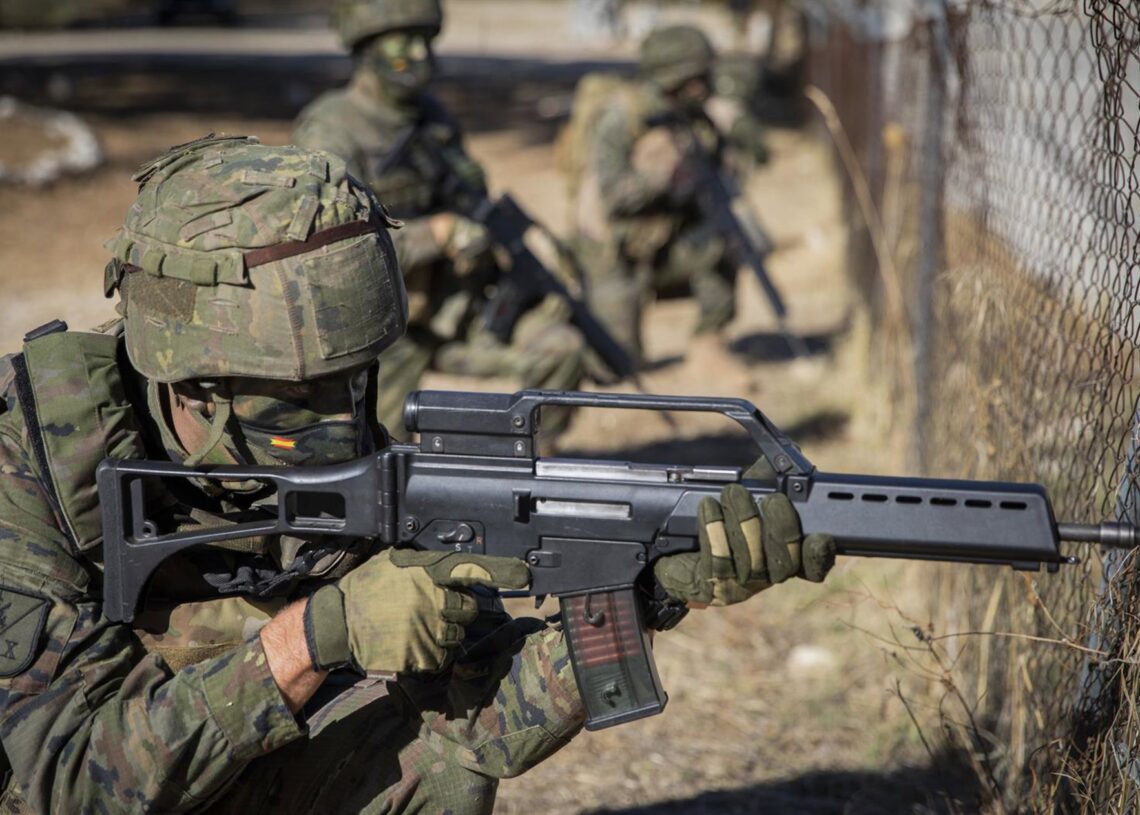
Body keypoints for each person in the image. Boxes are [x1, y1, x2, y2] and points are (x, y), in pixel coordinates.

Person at [0, 135, 834, 814]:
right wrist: (313, 637)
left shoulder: (336, 455)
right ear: (187, 379)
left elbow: (483, 728)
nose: (338, 426)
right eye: (296, 400)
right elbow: (65, 784)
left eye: (353, 381)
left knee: (429, 762)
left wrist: (646, 590)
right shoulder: (31, 471)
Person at [292, 0, 590, 438]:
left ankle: (524, 472)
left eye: (425, 41)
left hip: (458, 309)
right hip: (382, 330)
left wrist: (532, 244)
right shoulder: (332, 131)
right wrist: (435, 235)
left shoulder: (434, 119)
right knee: (376, 457)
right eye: (403, 41)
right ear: (366, 47)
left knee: (561, 349)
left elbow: (477, 201)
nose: (418, 55)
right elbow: (323, 255)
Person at [563, 24, 770, 362]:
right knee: (616, 363)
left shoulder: (693, 118)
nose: (706, 85)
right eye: (698, 77)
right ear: (677, 80)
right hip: (614, 251)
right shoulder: (622, 119)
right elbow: (614, 198)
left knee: (728, 237)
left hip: (665, 241)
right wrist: (665, 175)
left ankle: (709, 341)